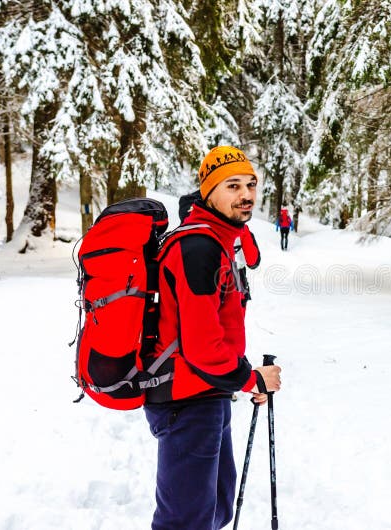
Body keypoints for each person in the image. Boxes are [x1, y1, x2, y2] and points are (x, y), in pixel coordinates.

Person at [143, 145, 282, 530]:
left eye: (251, 184)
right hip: (185, 399)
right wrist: (250, 378)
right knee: (185, 521)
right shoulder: (198, 247)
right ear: (209, 192)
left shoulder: (220, 241)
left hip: (208, 393)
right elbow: (202, 347)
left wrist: (236, 379)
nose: (247, 195)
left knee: (216, 509)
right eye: (233, 185)